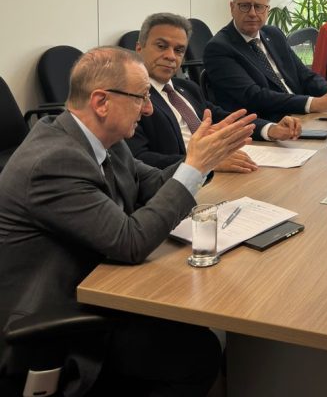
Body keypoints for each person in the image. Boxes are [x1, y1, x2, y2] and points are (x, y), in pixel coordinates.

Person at [0, 47, 257, 395]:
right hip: (54, 322)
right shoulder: (53, 161)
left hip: (99, 284)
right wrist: (194, 167)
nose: (148, 109)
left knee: (193, 330)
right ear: (101, 102)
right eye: (141, 97)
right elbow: (130, 242)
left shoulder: (105, 140)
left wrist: (204, 158)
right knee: (197, 354)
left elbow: (153, 184)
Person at [128, 12, 302, 170]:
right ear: (139, 48)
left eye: (179, 50)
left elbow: (222, 119)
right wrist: (201, 163)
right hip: (178, 180)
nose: (171, 56)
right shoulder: (132, 98)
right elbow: (138, 158)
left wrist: (271, 129)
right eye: (161, 46)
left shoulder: (187, 88)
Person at [204, 0, 327, 122]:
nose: (252, 13)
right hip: (269, 124)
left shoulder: (273, 34)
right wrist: (314, 103)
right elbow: (254, 96)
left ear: (267, 10)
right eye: (245, 6)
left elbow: (304, 75)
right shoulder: (219, 48)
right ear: (232, 8)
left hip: (303, 116)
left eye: (259, 7)